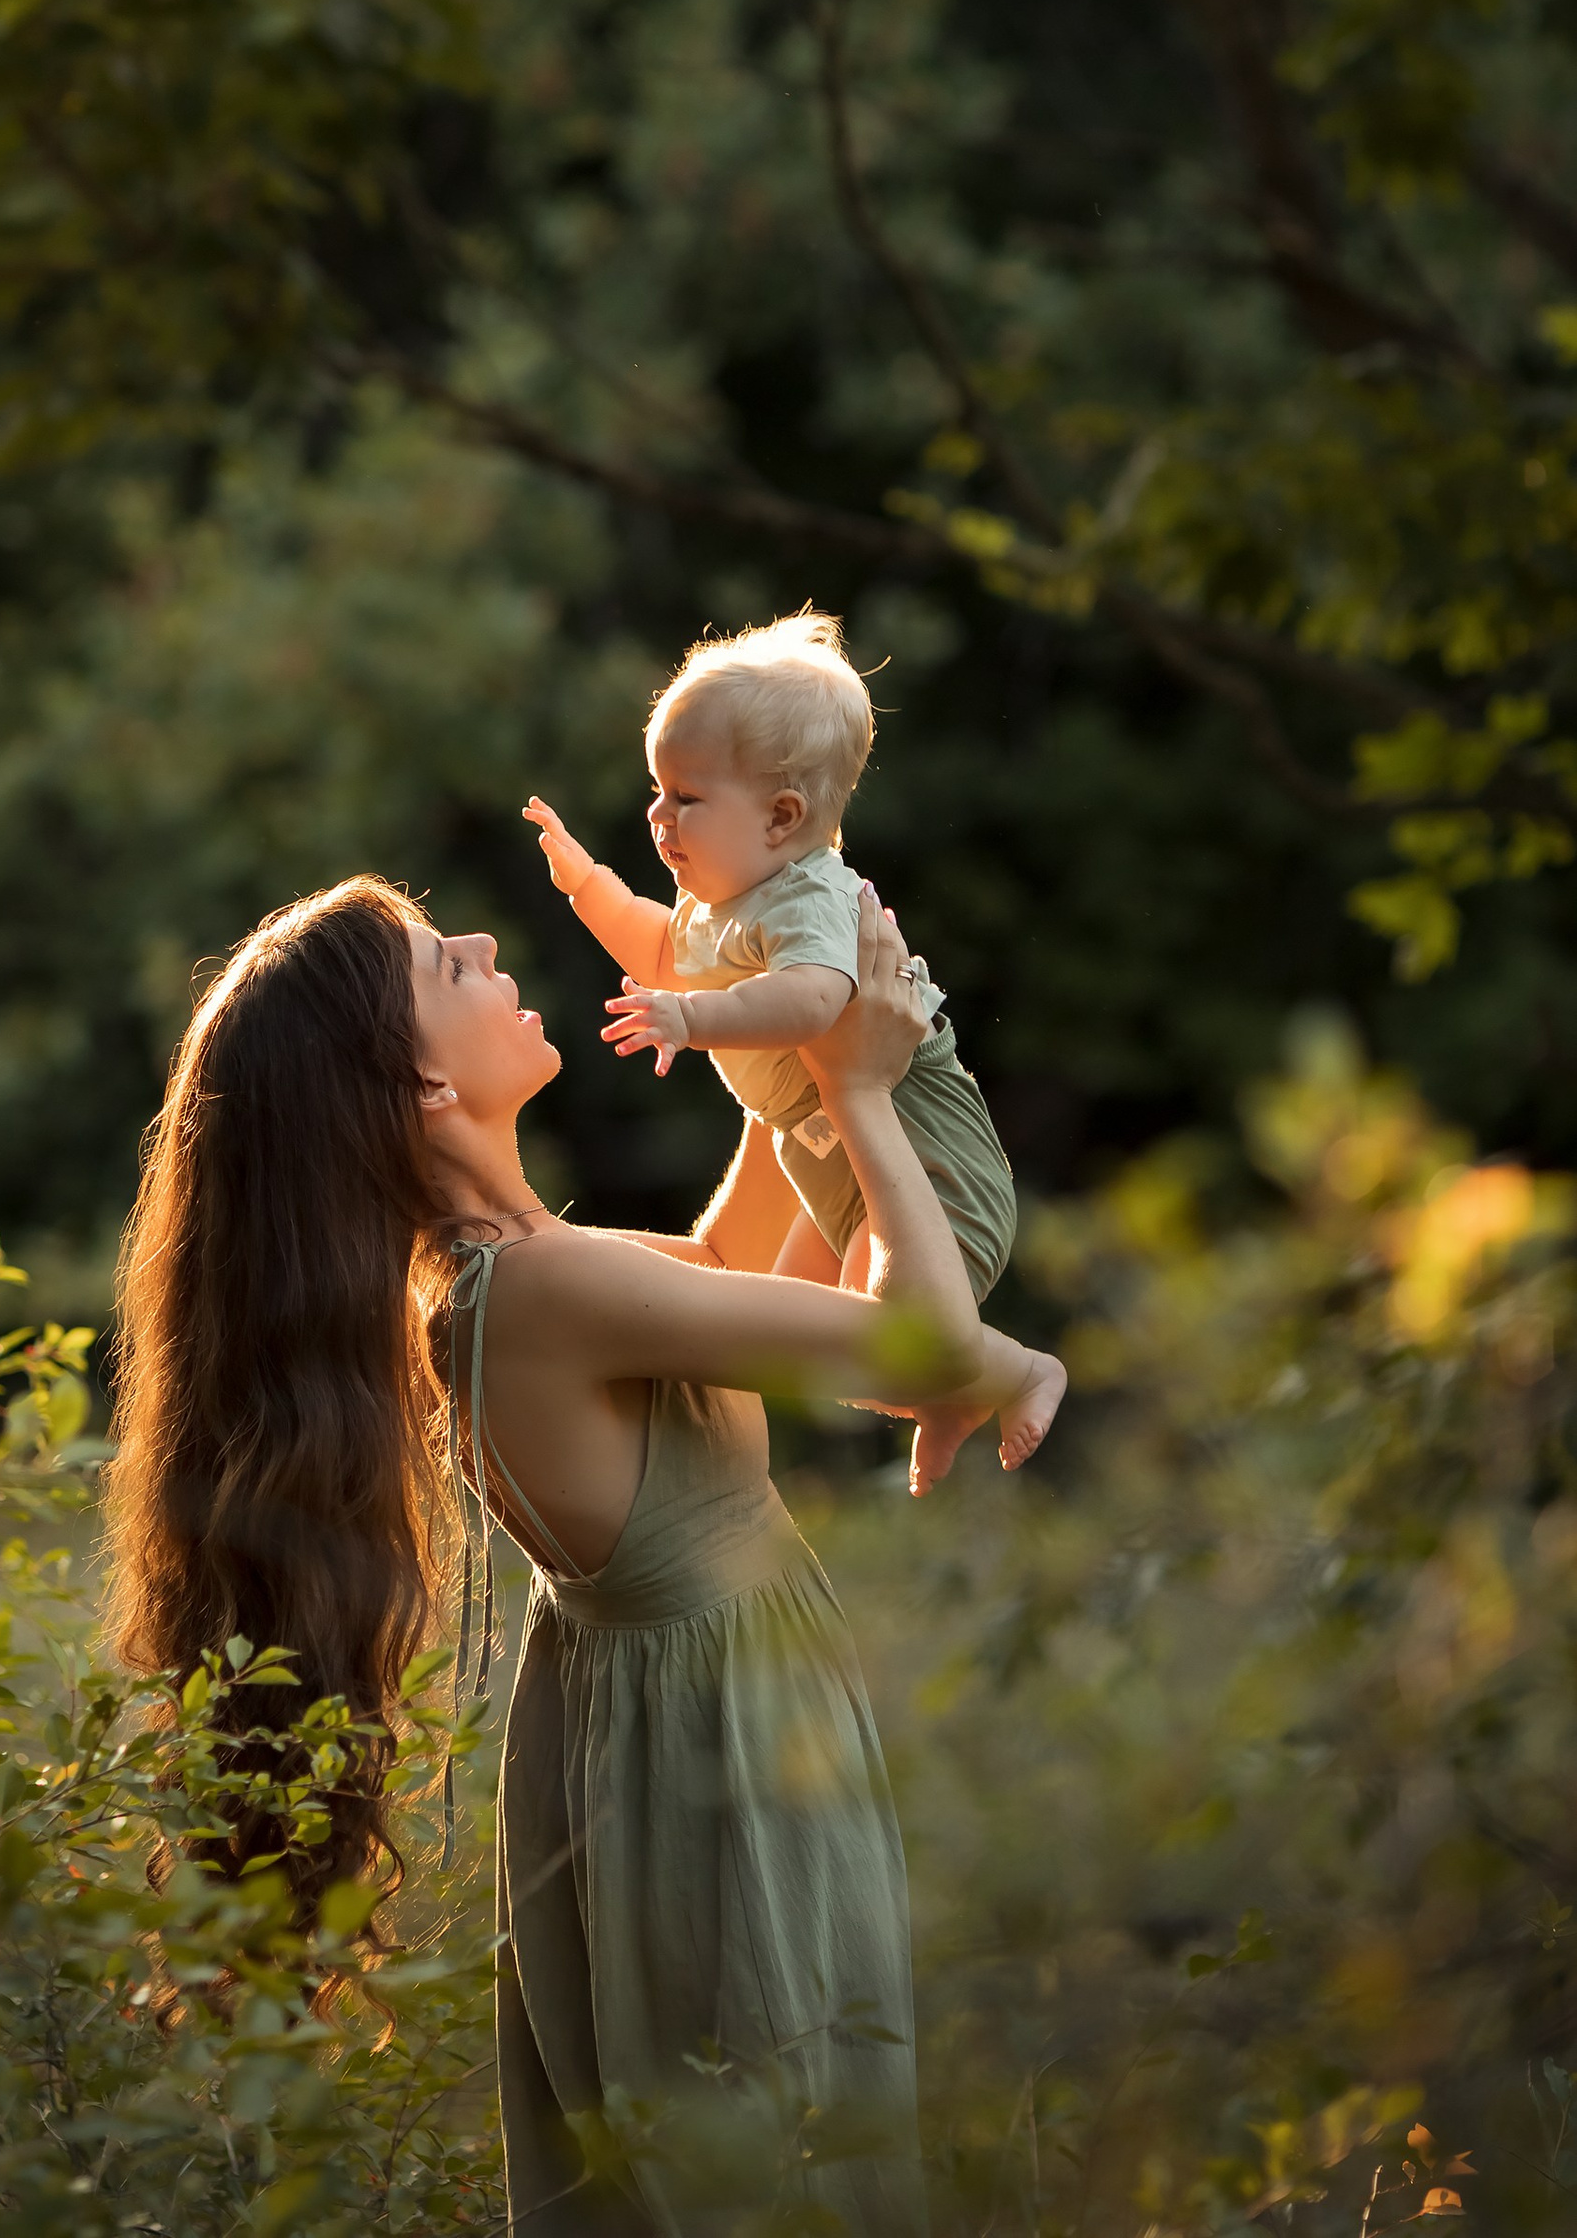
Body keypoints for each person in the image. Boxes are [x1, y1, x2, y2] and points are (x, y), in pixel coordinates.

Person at [104, 863, 980, 2237]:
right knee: (785, 2174)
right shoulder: (540, 1287)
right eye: (444, 968)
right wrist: (862, 1092)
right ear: (426, 1096)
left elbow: (746, 1275)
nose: (483, 941)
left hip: (703, 1747)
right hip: (719, 1772)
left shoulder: (518, 1266)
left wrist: (794, 1047)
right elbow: (928, 1352)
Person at [526, 607, 1063, 1486]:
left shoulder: (809, 896)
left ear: (782, 817)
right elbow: (665, 950)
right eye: (656, 791)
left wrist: (693, 1022)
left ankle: (1021, 1368)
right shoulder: (721, 903)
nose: (659, 816)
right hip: (834, 1165)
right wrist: (587, 884)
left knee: (881, 1342)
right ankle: (951, 1395)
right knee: (804, 1348)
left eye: (686, 797)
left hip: (926, 1160)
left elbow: (815, 1001)